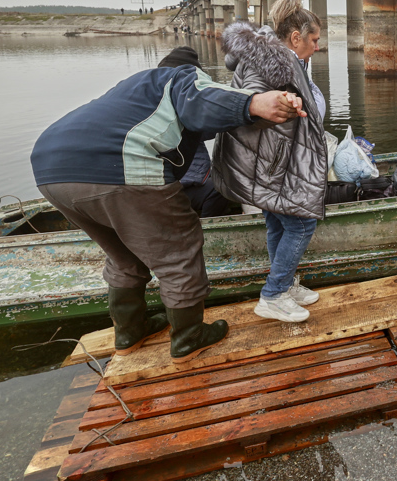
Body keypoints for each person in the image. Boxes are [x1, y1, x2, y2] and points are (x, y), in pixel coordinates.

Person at [31, 49, 304, 363]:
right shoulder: (178, 77)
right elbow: (203, 97)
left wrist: (247, 117)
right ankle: (189, 337)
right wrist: (254, 102)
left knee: (123, 254)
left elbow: (206, 120)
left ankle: (130, 333)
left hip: (51, 169)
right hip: (118, 165)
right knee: (179, 248)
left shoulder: (134, 89)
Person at [212, 0, 327, 324]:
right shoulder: (269, 60)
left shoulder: (278, 57)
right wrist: (280, 106)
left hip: (273, 158)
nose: (316, 47)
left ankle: (286, 285)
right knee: (302, 223)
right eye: (314, 40)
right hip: (268, 160)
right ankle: (274, 294)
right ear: (295, 37)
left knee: (278, 220)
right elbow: (250, 101)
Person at [156, 47, 234, 218]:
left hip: (159, 191)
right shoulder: (184, 107)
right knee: (220, 189)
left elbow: (209, 129)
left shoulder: (153, 101)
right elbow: (214, 125)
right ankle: (207, 227)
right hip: (175, 190)